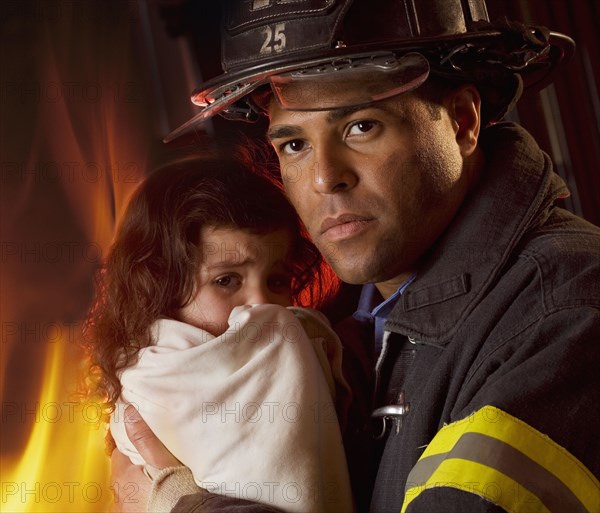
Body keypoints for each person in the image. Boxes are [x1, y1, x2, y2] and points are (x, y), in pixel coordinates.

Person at [111, 0, 600, 512]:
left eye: (361, 127)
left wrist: (179, 503)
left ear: (461, 121)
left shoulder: (564, 314)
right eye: (295, 144)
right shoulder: (340, 336)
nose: (325, 179)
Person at [83, 156, 355, 513]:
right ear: (161, 289)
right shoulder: (151, 372)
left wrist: (171, 497)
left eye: (276, 281)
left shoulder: (299, 343)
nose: (261, 306)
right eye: (226, 281)